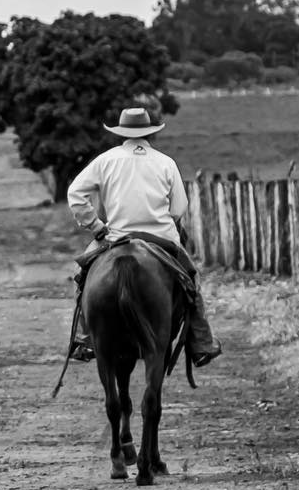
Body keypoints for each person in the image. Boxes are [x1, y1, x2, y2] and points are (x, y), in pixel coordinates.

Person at [65, 105, 221, 367]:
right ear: (150, 133)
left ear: (121, 133)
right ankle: (201, 342)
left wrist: (95, 226)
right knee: (191, 280)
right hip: (161, 237)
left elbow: (75, 195)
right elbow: (179, 208)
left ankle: (85, 338)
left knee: (82, 278)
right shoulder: (165, 162)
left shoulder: (106, 160)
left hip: (115, 238)